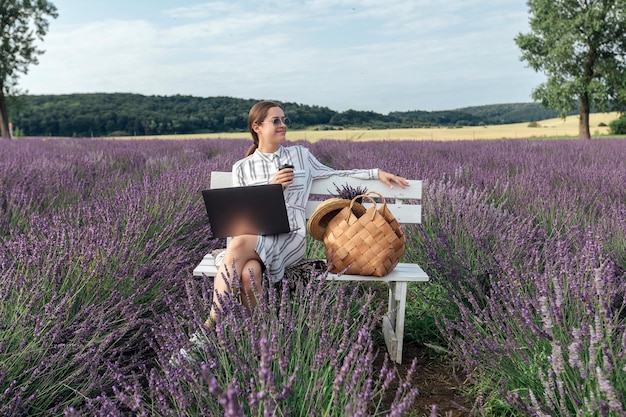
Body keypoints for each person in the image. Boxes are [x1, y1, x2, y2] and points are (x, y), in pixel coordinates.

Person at [205, 100, 409, 328]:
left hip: (289, 237)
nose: (283, 124)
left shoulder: (300, 155)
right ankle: (261, 336)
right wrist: (272, 189)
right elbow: (240, 214)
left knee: (240, 247)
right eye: (276, 120)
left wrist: (375, 173)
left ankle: (210, 327)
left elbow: (337, 176)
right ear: (257, 127)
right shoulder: (242, 167)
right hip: (253, 235)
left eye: (285, 120)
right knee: (248, 274)